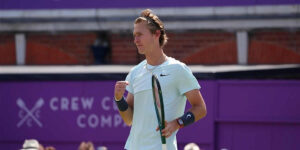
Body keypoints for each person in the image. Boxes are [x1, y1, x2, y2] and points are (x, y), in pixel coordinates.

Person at [114, 9, 207, 150]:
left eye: (140, 35)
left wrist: (177, 123)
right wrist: (119, 99)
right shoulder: (134, 72)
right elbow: (129, 119)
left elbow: (200, 108)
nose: (135, 40)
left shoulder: (178, 69)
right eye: (134, 36)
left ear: (156, 34)